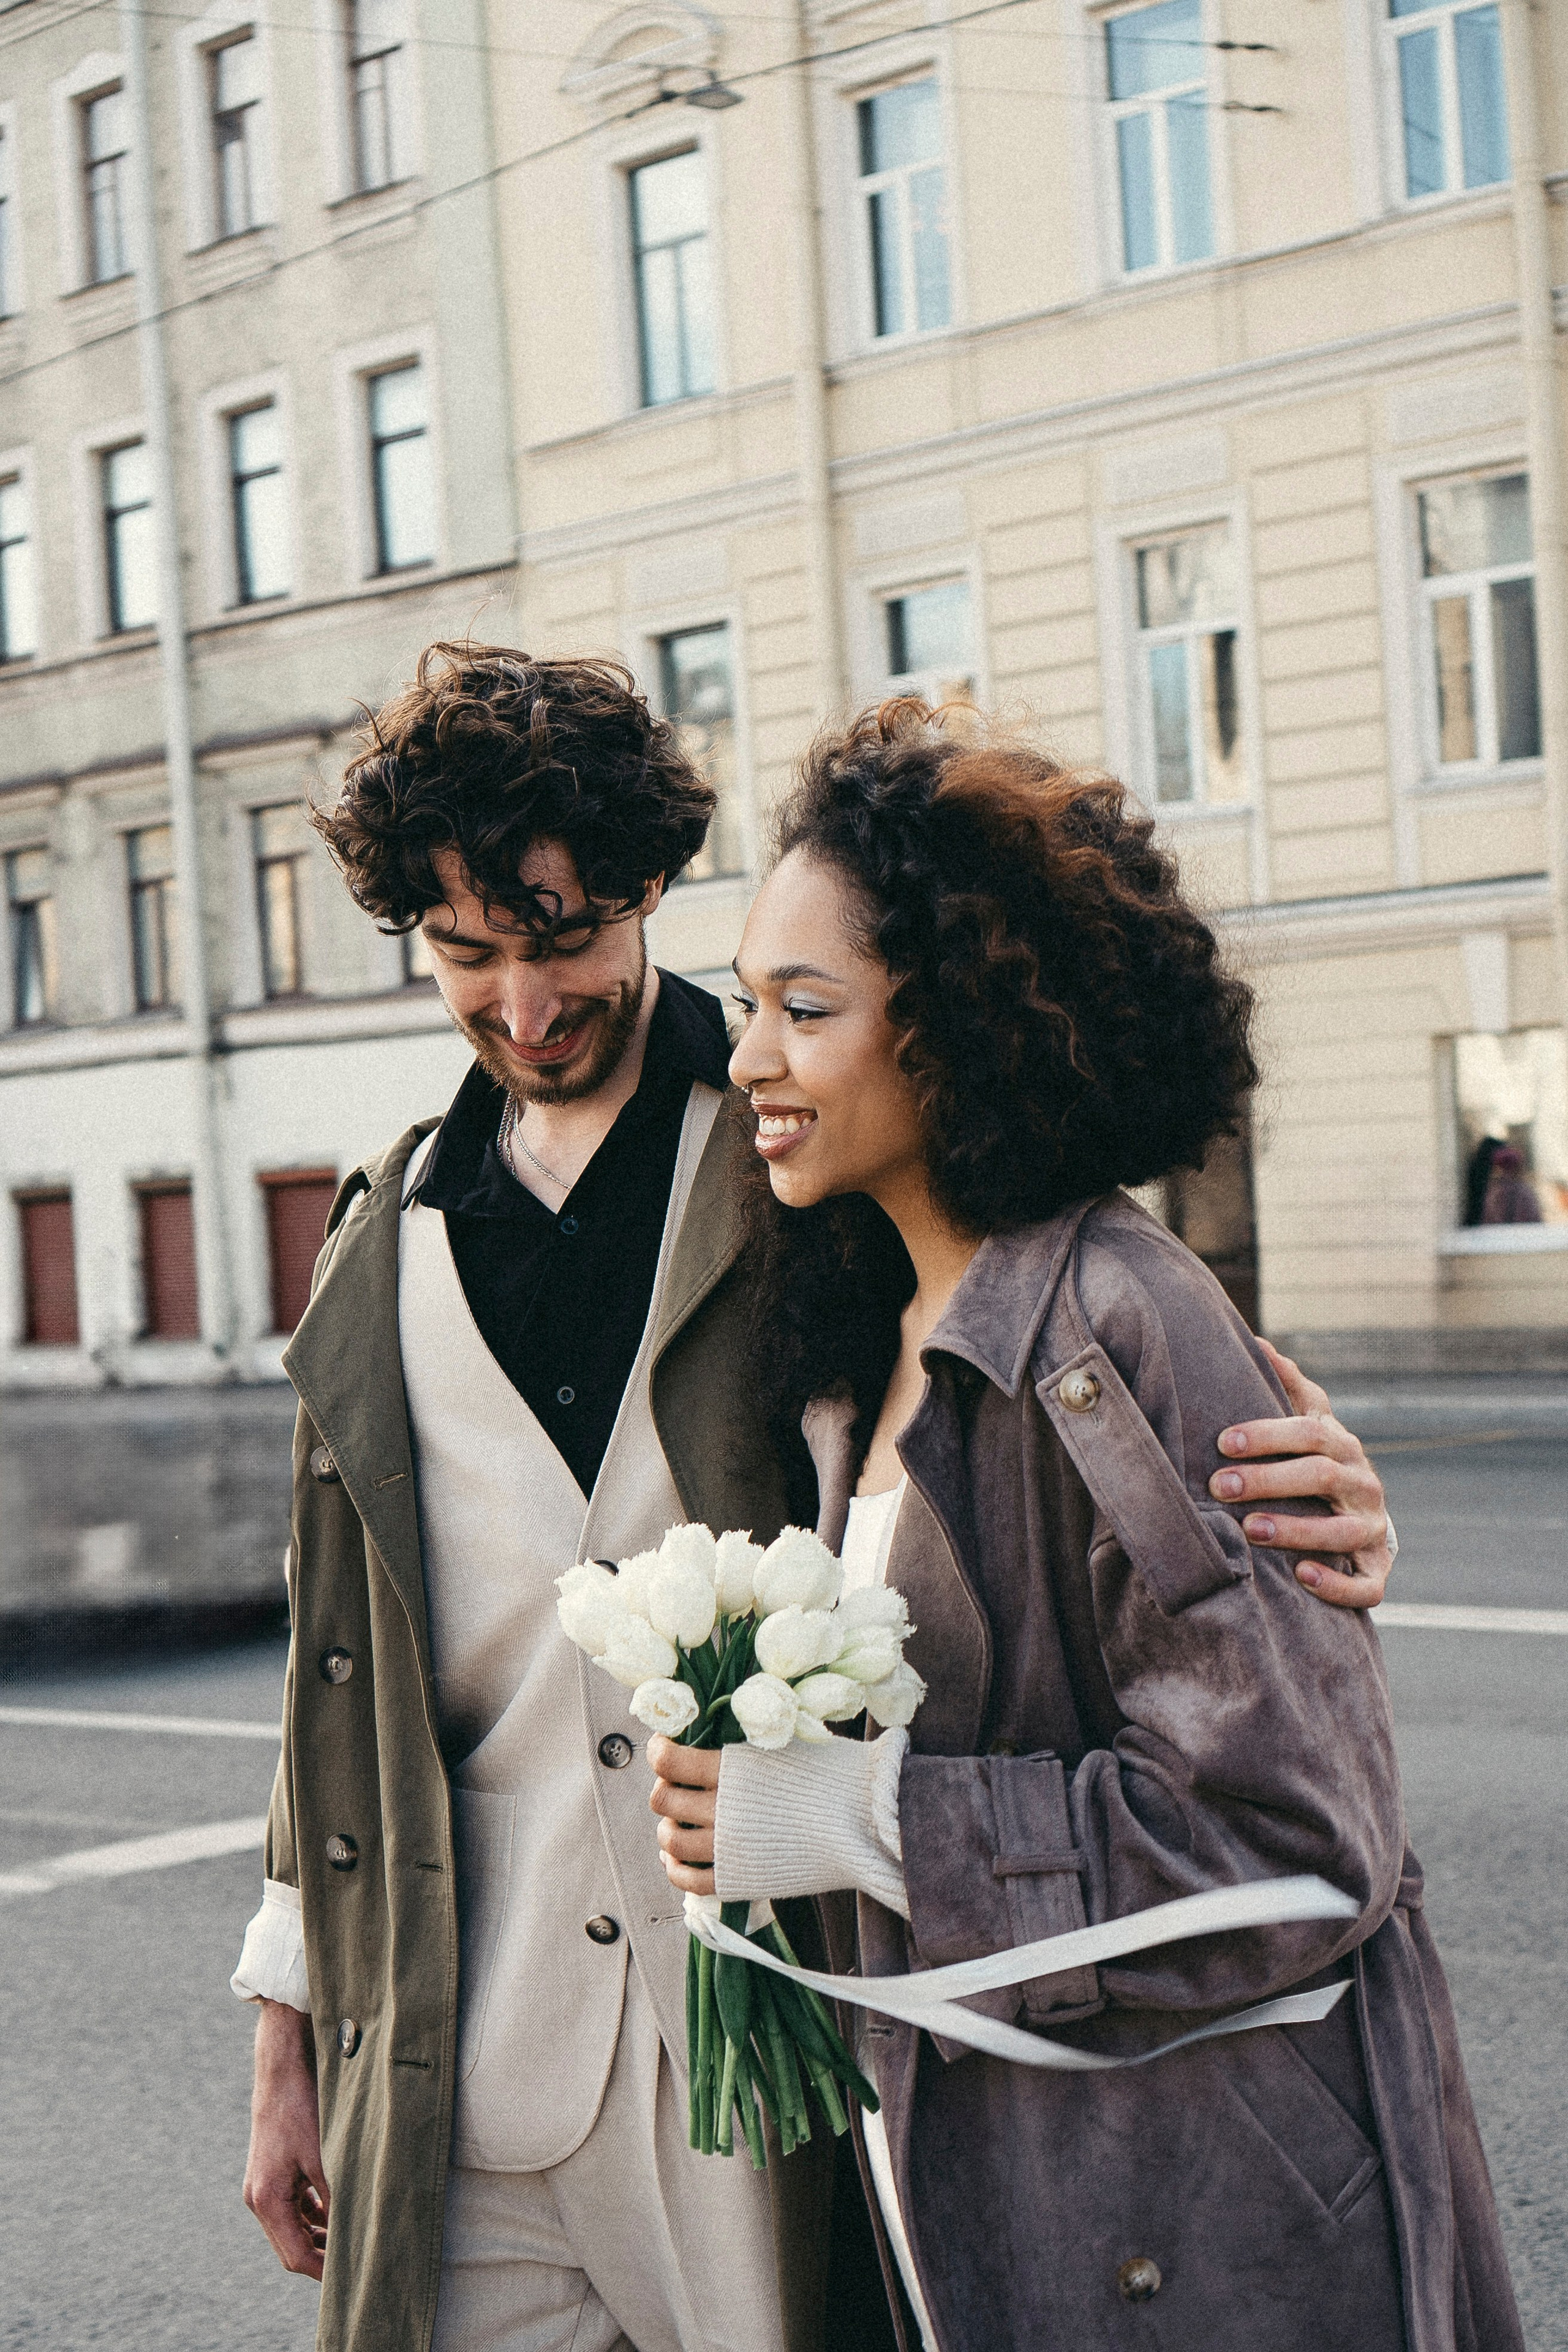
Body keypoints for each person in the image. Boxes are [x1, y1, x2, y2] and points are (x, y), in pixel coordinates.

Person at [235, 647, 1401, 2352]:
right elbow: (328, 1665)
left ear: (644, 891)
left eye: (562, 935)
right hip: (466, 2048)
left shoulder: (817, 1136)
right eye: (466, 954)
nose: (524, 1002)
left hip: (778, 2048)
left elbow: (1058, 1380)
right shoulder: (379, 1231)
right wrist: (288, 2034)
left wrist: (1324, 1502)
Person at [649, 699, 1521, 2352]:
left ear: (955, 1029)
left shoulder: (1120, 1330)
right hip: (1013, 2199)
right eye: (744, 1005)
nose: (750, 1058)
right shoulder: (860, 1333)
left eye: (804, 1008)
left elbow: (1290, 1846)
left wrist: (859, 1821)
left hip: (1196, 2237)